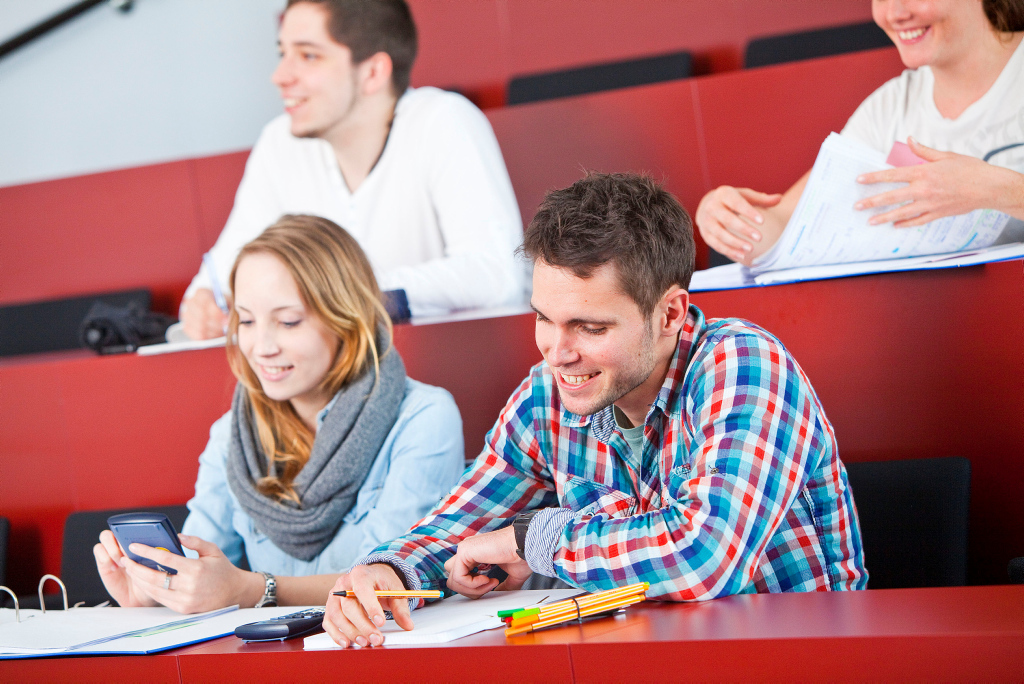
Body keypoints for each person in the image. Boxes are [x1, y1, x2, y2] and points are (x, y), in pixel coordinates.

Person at [322, 173, 867, 649]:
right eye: (544, 319)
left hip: (800, 662)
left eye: (589, 327)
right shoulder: (547, 394)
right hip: (640, 663)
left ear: (670, 314)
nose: (557, 353)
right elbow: (462, 520)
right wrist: (387, 570)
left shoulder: (744, 363)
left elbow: (703, 556)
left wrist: (533, 539)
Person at [94, 215, 465, 613]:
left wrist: (252, 589)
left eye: (288, 322)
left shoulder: (423, 418)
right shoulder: (232, 435)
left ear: (347, 319)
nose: (262, 346)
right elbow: (201, 569)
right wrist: (155, 594)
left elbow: (388, 582)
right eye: (247, 321)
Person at [182, 0, 524, 339]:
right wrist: (203, 302)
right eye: (282, 53)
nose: (280, 76)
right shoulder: (279, 142)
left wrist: (336, 294)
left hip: (449, 360)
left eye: (308, 56)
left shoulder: (442, 121)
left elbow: (496, 276)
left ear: (373, 73)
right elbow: (221, 274)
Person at [696, 0, 1024, 265]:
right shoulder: (889, 107)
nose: (895, 13)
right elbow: (785, 225)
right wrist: (729, 220)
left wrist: (991, 188)